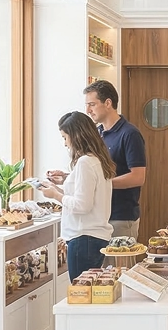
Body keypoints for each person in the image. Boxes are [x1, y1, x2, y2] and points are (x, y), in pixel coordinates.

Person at [38, 112, 116, 330]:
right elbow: (87, 194)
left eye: (64, 137)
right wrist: (65, 182)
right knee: (96, 301)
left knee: (86, 303)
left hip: (83, 240)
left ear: (76, 135)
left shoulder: (85, 162)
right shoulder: (97, 161)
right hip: (95, 237)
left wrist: (55, 194)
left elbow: (81, 205)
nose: (64, 143)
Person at [47, 81, 146, 242]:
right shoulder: (97, 133)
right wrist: (68, 178)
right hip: (97, 219)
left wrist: (100, 185)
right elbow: (93, 173)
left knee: (118, 266)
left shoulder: (129, 134)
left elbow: (138, 177)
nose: (87, 110)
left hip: (120, 216)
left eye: (92, 104)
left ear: (108, 103)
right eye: (86, 105)